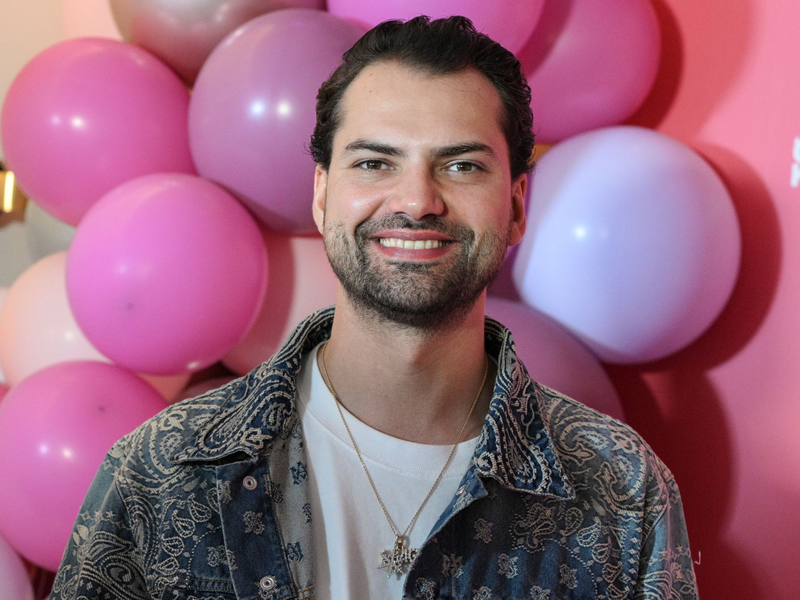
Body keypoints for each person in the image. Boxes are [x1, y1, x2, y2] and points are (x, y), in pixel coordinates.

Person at [51, 16, 698, 600]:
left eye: (463, 166)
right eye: (374, 162)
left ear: (518, 206)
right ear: (322, 195)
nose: (416, 200)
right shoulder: (161, 471)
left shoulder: (622, 491)